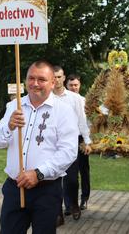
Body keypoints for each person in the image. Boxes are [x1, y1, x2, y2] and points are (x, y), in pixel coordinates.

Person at [0, 60, 79, 234]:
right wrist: (9, 126)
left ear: (53, 82)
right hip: (15, 188)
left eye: (41, 79)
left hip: (46, 191)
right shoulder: (14, 106)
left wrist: (38, 173)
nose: (35, 83)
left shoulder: (64, 110)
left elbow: (68, 152)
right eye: (31, 78)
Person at [53, 66, 91, 223]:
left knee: (72, 179)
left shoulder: (74, 98)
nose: (56, 80)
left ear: (64, 78)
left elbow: (82, 121)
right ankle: (57, 213)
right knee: (53, 178)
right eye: (53, 77)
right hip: (52, 141)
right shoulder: (46, 96)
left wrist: (87, 141)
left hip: (72, 141)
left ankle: (73, 204)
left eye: (59, 77)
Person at [66, 74, 91, 211]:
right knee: (68, 172)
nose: (74, 88)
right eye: (71, 85)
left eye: (76, 85)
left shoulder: (84, 101)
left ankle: (85, 198)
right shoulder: (62, 100)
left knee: (84, 169)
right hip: (67, 139)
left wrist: (88, 141)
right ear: (66, 86)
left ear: (79, 85)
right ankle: (69, 203)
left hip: (81, 139)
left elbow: (90, 120)